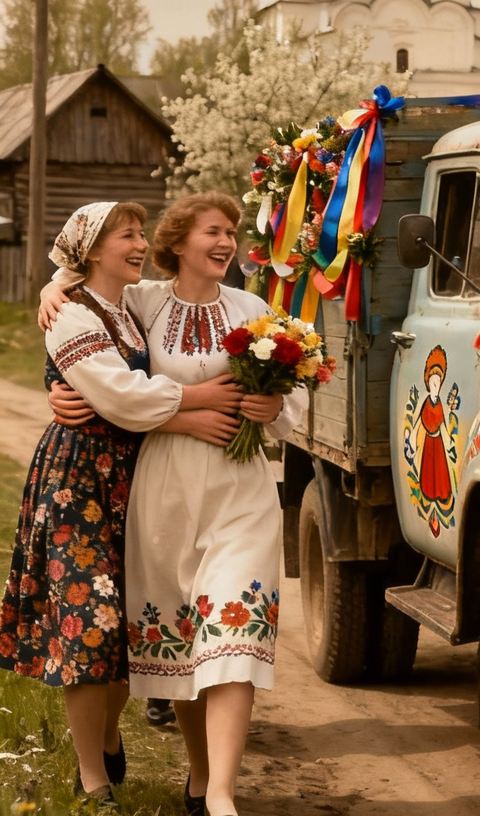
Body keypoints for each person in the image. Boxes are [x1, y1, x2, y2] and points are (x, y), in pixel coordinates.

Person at [41, 192, 306, 816]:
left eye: (232, 232)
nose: (227, 242)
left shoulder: (253, 310)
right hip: (162, 489)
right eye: (213, 231)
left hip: (240, 489)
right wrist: (51, 291)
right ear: (179, 241)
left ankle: (221, 796)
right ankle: (198, 777)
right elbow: (90, 297)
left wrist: (274, 407)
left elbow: (292, 400)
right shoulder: (144, 301)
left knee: (233, 634)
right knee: (185, 638)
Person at [2, 202, 241, 802]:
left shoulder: (129, 308)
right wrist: (199, 403)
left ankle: (108, 736)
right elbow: (124, 397)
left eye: (139, 234)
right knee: (89, 622)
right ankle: (92, 779)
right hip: (79, 483)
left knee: (131, 622)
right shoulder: (70, 315)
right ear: (92, 250)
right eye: (126, 236)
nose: (139, 244)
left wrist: (53, 282)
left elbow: (129, 391)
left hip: (135, 477)